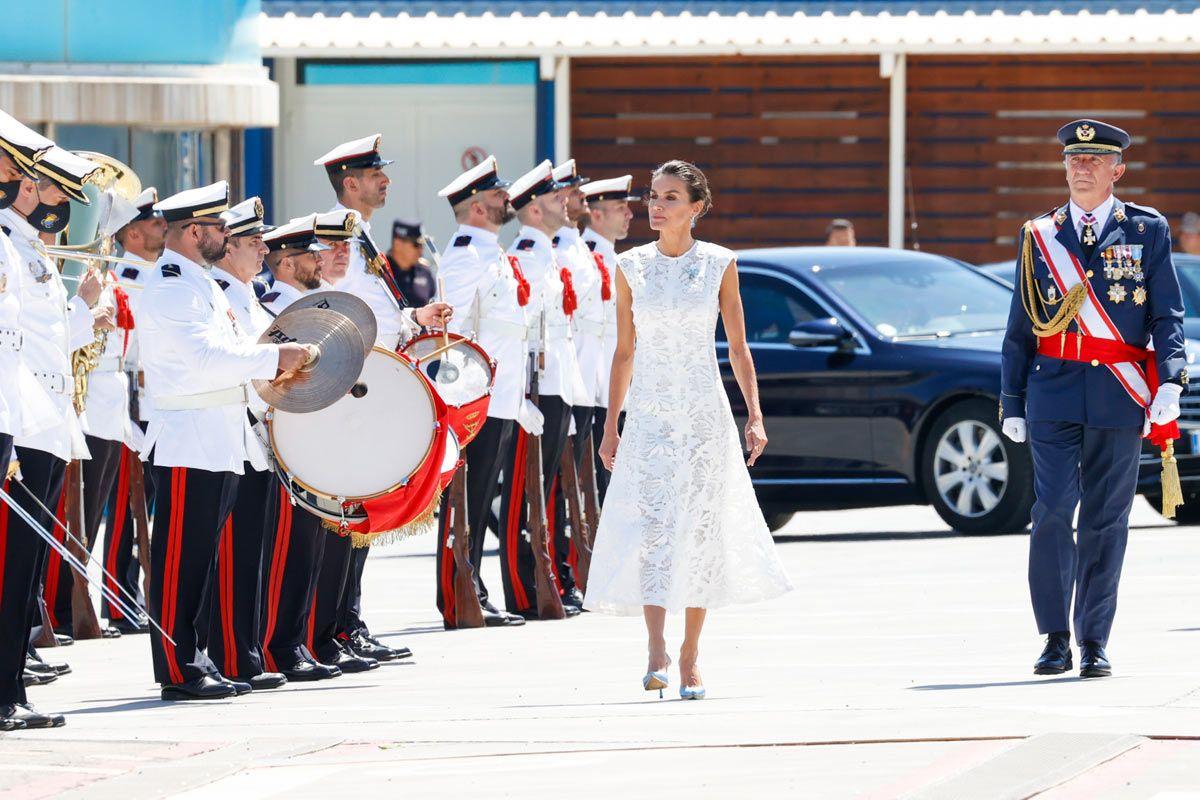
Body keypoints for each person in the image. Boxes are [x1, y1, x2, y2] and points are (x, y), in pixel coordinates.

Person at [586, 160, 793, 700]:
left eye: (671, 197)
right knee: (654, 530)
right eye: (654, 196)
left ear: (697, 207)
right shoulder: (629, 266)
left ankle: (691, 654)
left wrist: (755, 413)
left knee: (701, 530)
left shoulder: (721, 263)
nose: (656, 206)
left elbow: (739, 347)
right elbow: (624, 352)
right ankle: (655, 646)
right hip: (651, 414)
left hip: (704, 412)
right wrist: (612, 426)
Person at [1000, 120, 1187, 679]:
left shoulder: (1146, 230)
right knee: (1053, 510)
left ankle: (1095, 640)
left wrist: (1172, 380)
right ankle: (1054, 637)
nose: (1082, 167)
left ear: (1117, 170)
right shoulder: (1040, 235)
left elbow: (1166, 314)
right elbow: (1019, 326)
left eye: (1094, 160)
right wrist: (1010, 401)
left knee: (1107, 519)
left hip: (1117, 394)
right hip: (1053, 391)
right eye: (1074, 159)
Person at [139, 181, 309, 701]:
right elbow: (204, 360)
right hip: (189, 436)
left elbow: (229, 351)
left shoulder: (202, 284)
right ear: (194, 232)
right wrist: (273, 359)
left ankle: (198, 656)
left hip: (217, 435)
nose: (226, 235)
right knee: (180, 561)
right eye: (218, 227)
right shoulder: (172, 284)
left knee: (204, 561)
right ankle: (178, 664)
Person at [313, 134, 451, 662]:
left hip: (374, 387)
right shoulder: (336, 236)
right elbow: (325, 306)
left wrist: (415, 318)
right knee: (347, 513)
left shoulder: (360, 234)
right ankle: (333, 628)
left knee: (361, 511)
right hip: (352, 390)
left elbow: (373, 312)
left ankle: (347, 622)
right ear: (350, 183)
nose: (385, 181)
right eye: (375, 175)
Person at [259, 214, 377, 678]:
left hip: (326, 436)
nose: (319, 259)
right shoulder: (277, 309)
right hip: (296, 438)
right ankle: (293, 642)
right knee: (298, 547)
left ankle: (318, 638)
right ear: (285, 264)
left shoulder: (318, 307)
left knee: (327, 543)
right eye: (310, 254)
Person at [433, 155, 528, 629]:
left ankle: (475, 586)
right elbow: (453, 334)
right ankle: (459, 592)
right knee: (464, 501)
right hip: (476, 397)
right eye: (495, 194)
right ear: (475, 207)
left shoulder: (492, 252)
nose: (505, 198)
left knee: (482, 494)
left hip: (502, 394)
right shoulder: (465, 255)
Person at [0, 112, 69, 731]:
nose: (25, 185)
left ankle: (8, 689)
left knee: (22, 565)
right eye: (14, 171)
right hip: (15, 418)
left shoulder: (17, 245)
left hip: (29, 416)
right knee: (8, 563)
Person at [204, 197, 288, 691]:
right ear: (228, 246)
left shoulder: (249, 295)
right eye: (253, 242)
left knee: (251, 549)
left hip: (258, 434)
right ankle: (234, 654)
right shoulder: (226, 295)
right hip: (237, 430)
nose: (263, 250)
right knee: (235, 552)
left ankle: (247, 649)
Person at [499, 160, 586, 620]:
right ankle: (521, 585)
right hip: (536, 387)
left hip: (558, 382)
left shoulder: (547, 254)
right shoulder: (526, 256)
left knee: (548, 487)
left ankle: (545, 577)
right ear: (533, 211)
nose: (564, 203)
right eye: (554, 199)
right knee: (524, 490)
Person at [98, 187, 164, 635]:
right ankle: (118, 599)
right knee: (127, 504)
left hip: (154, 403)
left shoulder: (155, 276)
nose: (164, 227)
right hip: (135, 403)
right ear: (134, 234)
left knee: (147, 506)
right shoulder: (127, 279)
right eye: (157, 223)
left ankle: (130, 593)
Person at [549, 159, 597, 609]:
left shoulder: (574, 246)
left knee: (574, 484)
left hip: (581, 378)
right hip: (568, 375)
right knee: (557, 488)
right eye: (574, 194)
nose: (581, 201)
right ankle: (557, 574)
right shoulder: (559, 250)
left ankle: (567, 572)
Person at [580, 175, 637, 501]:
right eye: (620, 208)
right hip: (593, 387)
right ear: (597, 215)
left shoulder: (615, 260)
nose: (629, 214)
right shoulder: (581, 259)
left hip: (613, 390)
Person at [387, 218, 435, 305]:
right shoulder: (382, 271)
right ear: (398, 244)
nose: (421, 251)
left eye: (422, 245)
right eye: (416, 245)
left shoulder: (424, 271)